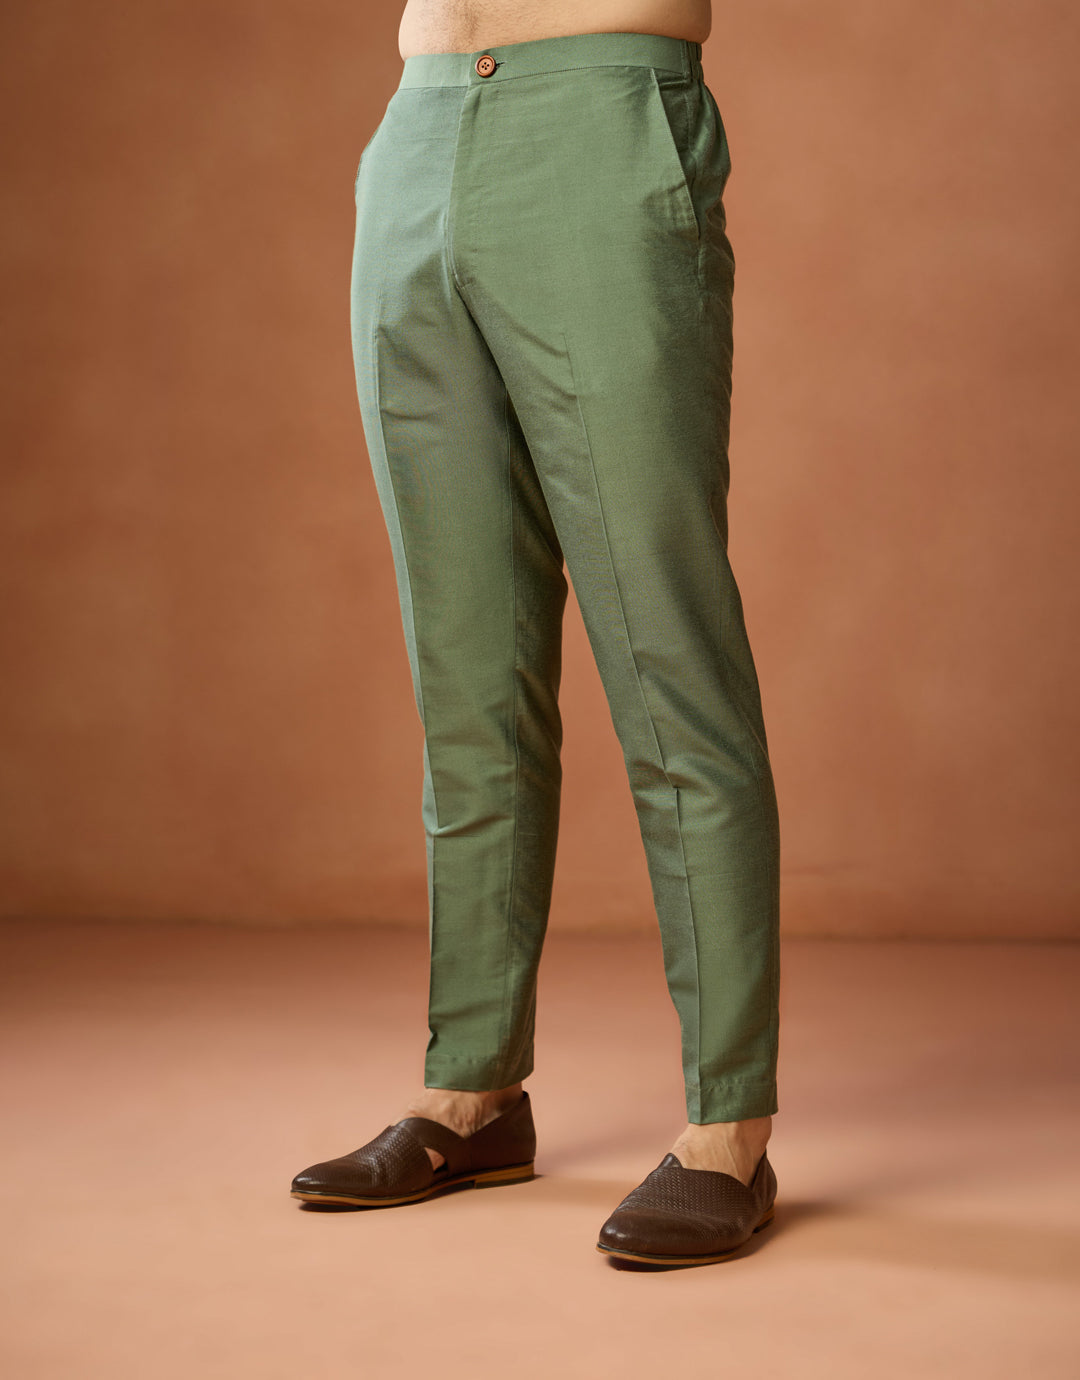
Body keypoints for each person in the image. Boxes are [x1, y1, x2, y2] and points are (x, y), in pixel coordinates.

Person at [291, 0, 781, 1266]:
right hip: (417, 129)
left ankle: (729, 1127)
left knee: (668, 652)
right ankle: (471, 1093)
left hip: (603, 120)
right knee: (467, 673)